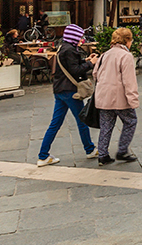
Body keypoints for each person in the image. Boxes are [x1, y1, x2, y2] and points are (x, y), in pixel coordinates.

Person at [37, 24, 99, 166]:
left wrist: (86, 60)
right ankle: (89, 149)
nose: (81, 40)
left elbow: (71, 65)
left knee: (55, 124)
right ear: (74, 37)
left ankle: (43, 155)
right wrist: (91, 64)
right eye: (79, 37)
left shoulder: (63, 47)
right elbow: (75, 70)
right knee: (82, 120)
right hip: (71, 91)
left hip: (59, 90)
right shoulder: (70, 50)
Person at [94, 27, 139, 165]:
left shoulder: (105, 54)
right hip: (119, 97)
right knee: (131, 121)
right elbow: (129, 81)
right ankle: (122, 150)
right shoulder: (126, 56)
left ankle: (102, 155)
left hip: (103, 96)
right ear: (127, 40)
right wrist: (133, 100)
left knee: (106, 125)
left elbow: (95, 73)